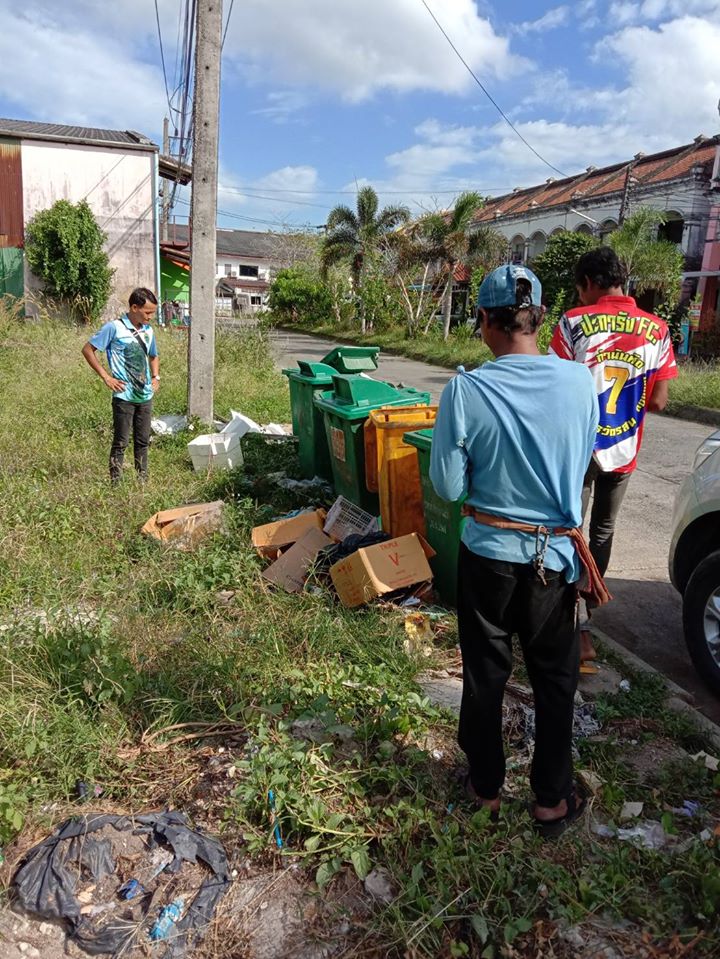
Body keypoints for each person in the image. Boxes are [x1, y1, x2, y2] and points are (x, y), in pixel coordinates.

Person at [430, 264, 600, 837]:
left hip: (488, 557)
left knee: (485, 675)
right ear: (540, 318)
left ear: (485, 322)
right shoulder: (582, 383)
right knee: (556, 682)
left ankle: (484, 792)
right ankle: (552, 803)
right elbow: (582, 467)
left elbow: (450, 488)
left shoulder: (466, 389)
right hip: (554, 560)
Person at [549, 247, 677, 664]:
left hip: (579, 445)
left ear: (587, 283)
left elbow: (555, 387)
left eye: (579, 289)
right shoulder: (656, 329)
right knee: (602, 532)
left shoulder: (572, 322)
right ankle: (590, 615)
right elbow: (658, 401)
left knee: (571, 528)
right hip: (622, 451)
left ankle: (572, 620)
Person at [81, 287, 160, 485]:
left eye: (153, 313)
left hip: (145, 396)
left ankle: (142, 481)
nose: (151, 317)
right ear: (134, 307)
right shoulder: (114, 328)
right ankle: (116, 484)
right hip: (123, 396)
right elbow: (88, 349)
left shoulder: (148, 331)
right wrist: (106, 377)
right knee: (121, 442)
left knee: (143, 441)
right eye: (148, 312)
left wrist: (156, 377)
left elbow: (153, 355)